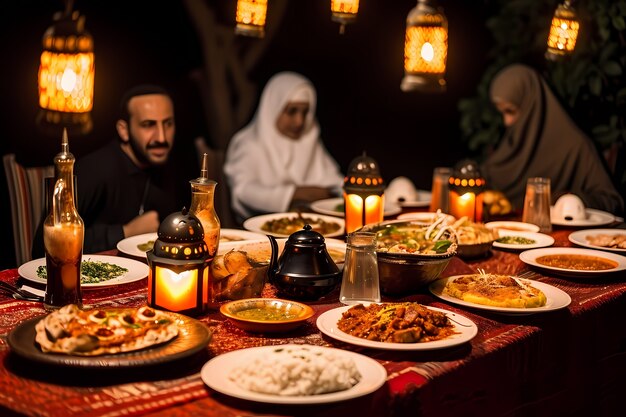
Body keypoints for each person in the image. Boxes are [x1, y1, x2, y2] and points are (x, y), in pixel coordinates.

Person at [32, 84, 186, 257]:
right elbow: (44, 246)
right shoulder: (95, 170)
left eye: (168, 124)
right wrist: (125, 232)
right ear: (124, 130)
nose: (161, 137)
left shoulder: (169, 167)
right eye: (148, 125)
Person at [481, 64, 624, 215]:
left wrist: (565, 200)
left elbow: (611, 200)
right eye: (502, 113)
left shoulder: (576, 145)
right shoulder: (516, 139)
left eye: (510, 111)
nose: (507, 121)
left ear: (531, 105)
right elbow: (491, 177)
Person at [224, 71, 344, 221]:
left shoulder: (308, 138)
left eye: (305, 112)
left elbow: (334, 180)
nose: (300, 121)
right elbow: (243, 191)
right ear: (273, 108)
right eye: (291, 111)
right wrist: (294, 194)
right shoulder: (249, 143)